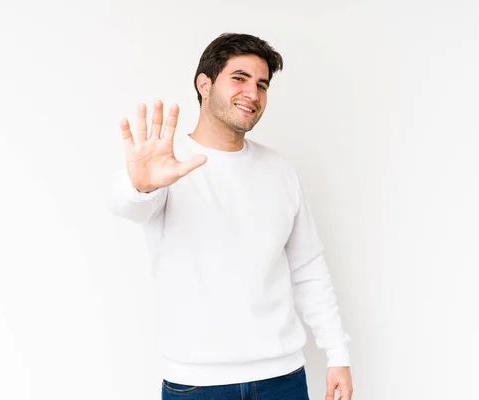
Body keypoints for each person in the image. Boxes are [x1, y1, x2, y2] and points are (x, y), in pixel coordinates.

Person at [107, 33, 353, 400]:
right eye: (239, 78)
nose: (252, 94)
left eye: (262, 84)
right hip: (196, 385)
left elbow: (308, 267)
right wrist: (140, 186)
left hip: (283, 379)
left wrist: (338, 353)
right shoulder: (168, 166)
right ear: (203, 84)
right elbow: (129, 207)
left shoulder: (280, 170)